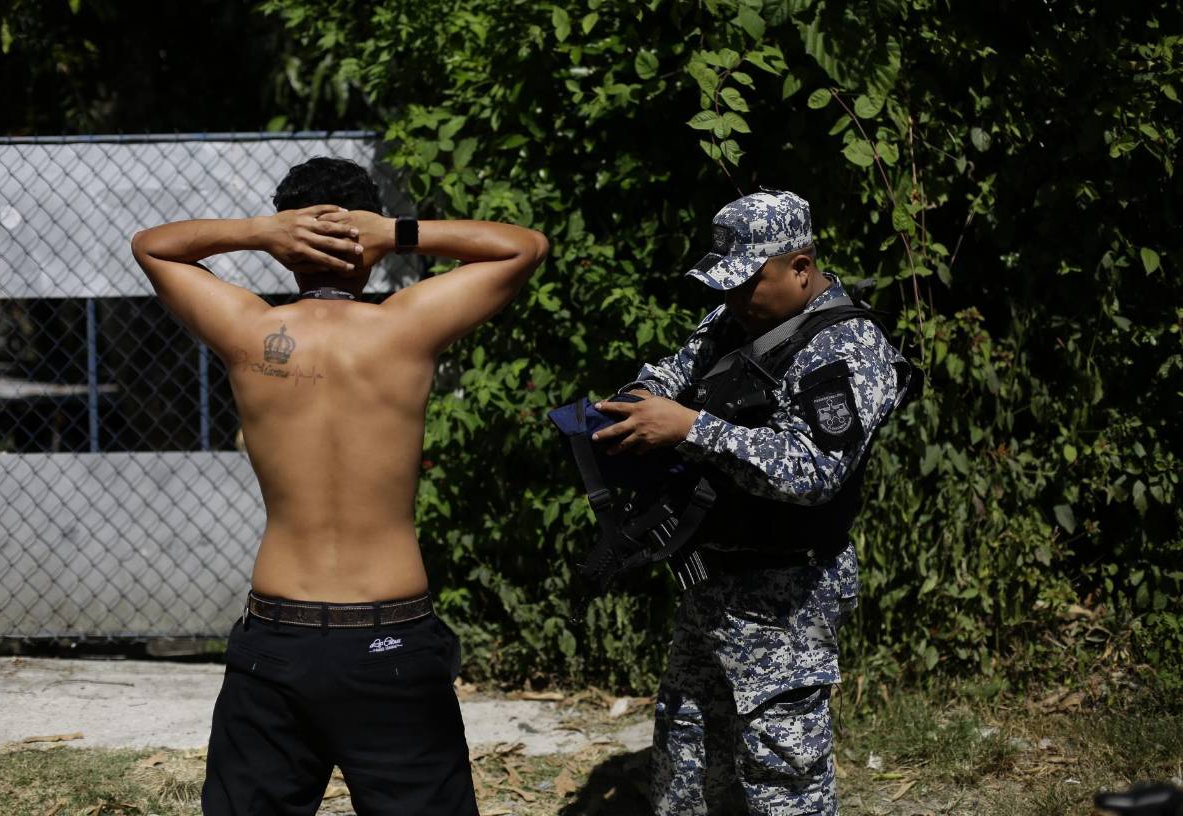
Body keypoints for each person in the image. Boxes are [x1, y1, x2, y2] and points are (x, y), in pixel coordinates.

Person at [130, 156, 548, 816]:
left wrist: (262, 231)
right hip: (391, 636)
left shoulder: (248, 329)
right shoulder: (406, 327)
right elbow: (524, 247)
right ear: (368, 242)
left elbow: (151, 246)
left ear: (289, 250)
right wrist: (397, 232)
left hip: (277, 638)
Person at [591, 190, 909, 816]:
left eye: (747, 283)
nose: (733, 299)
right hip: (710, 577)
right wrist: (640, 398)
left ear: (799, 266)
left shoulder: (846, 345)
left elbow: (814, 470)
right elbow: (676, 369)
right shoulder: (737, 318)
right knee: (686, 761)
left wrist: (690, 429)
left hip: (787, 593)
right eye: (725, 285)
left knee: (781, 776)